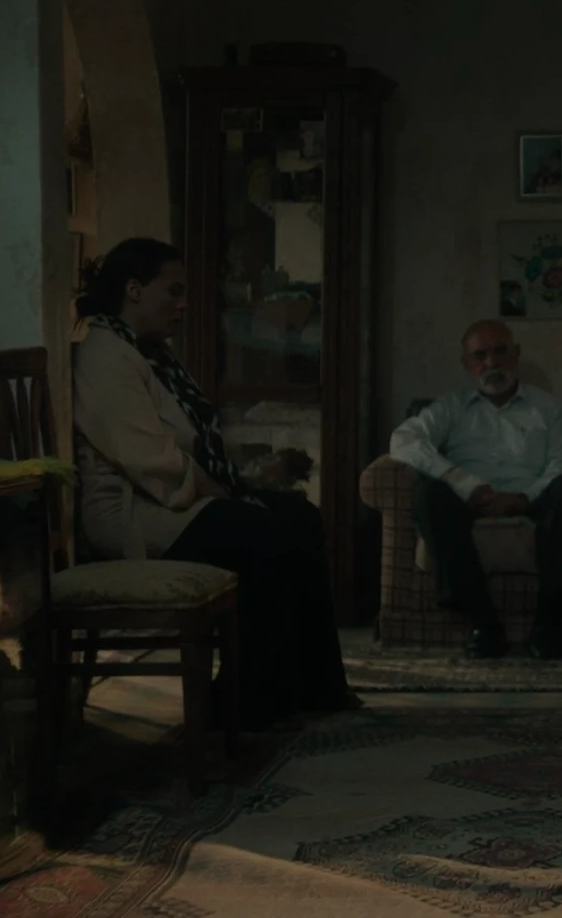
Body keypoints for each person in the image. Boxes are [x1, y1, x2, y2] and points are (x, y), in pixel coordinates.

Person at [71, 237, 356, 731]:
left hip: (174, 496)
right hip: (133, 510)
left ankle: (316, 686)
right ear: (134, 289)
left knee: (300, 515)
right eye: (173, 291)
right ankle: (245, 701)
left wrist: (223, 488)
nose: (183, 304)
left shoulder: (149, 352)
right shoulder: (105, 354)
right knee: (261, 536)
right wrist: (215, 491)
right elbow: (144, 457)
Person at [387, 320, 562, 660]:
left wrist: (523, 498)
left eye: (500, 352)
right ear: (466, 364)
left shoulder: (549, 408)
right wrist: (463, 482)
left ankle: (550, 623)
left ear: (516, 354)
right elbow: (403, 440)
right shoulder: (451, 407)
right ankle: (483, 622)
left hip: (533, 497)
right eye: (480, 356)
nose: (492, 363)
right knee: (429, 495)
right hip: (468, 497)